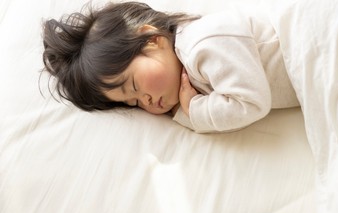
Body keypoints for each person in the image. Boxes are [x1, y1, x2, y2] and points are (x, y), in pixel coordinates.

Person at [42, 1, 299, 133]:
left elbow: (251, 104)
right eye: (133, 103)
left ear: (152, 39)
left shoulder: (203, 42)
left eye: (133, 85)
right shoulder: (188, 85)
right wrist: (184, 109)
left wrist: (194, 109)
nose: (145, 101)